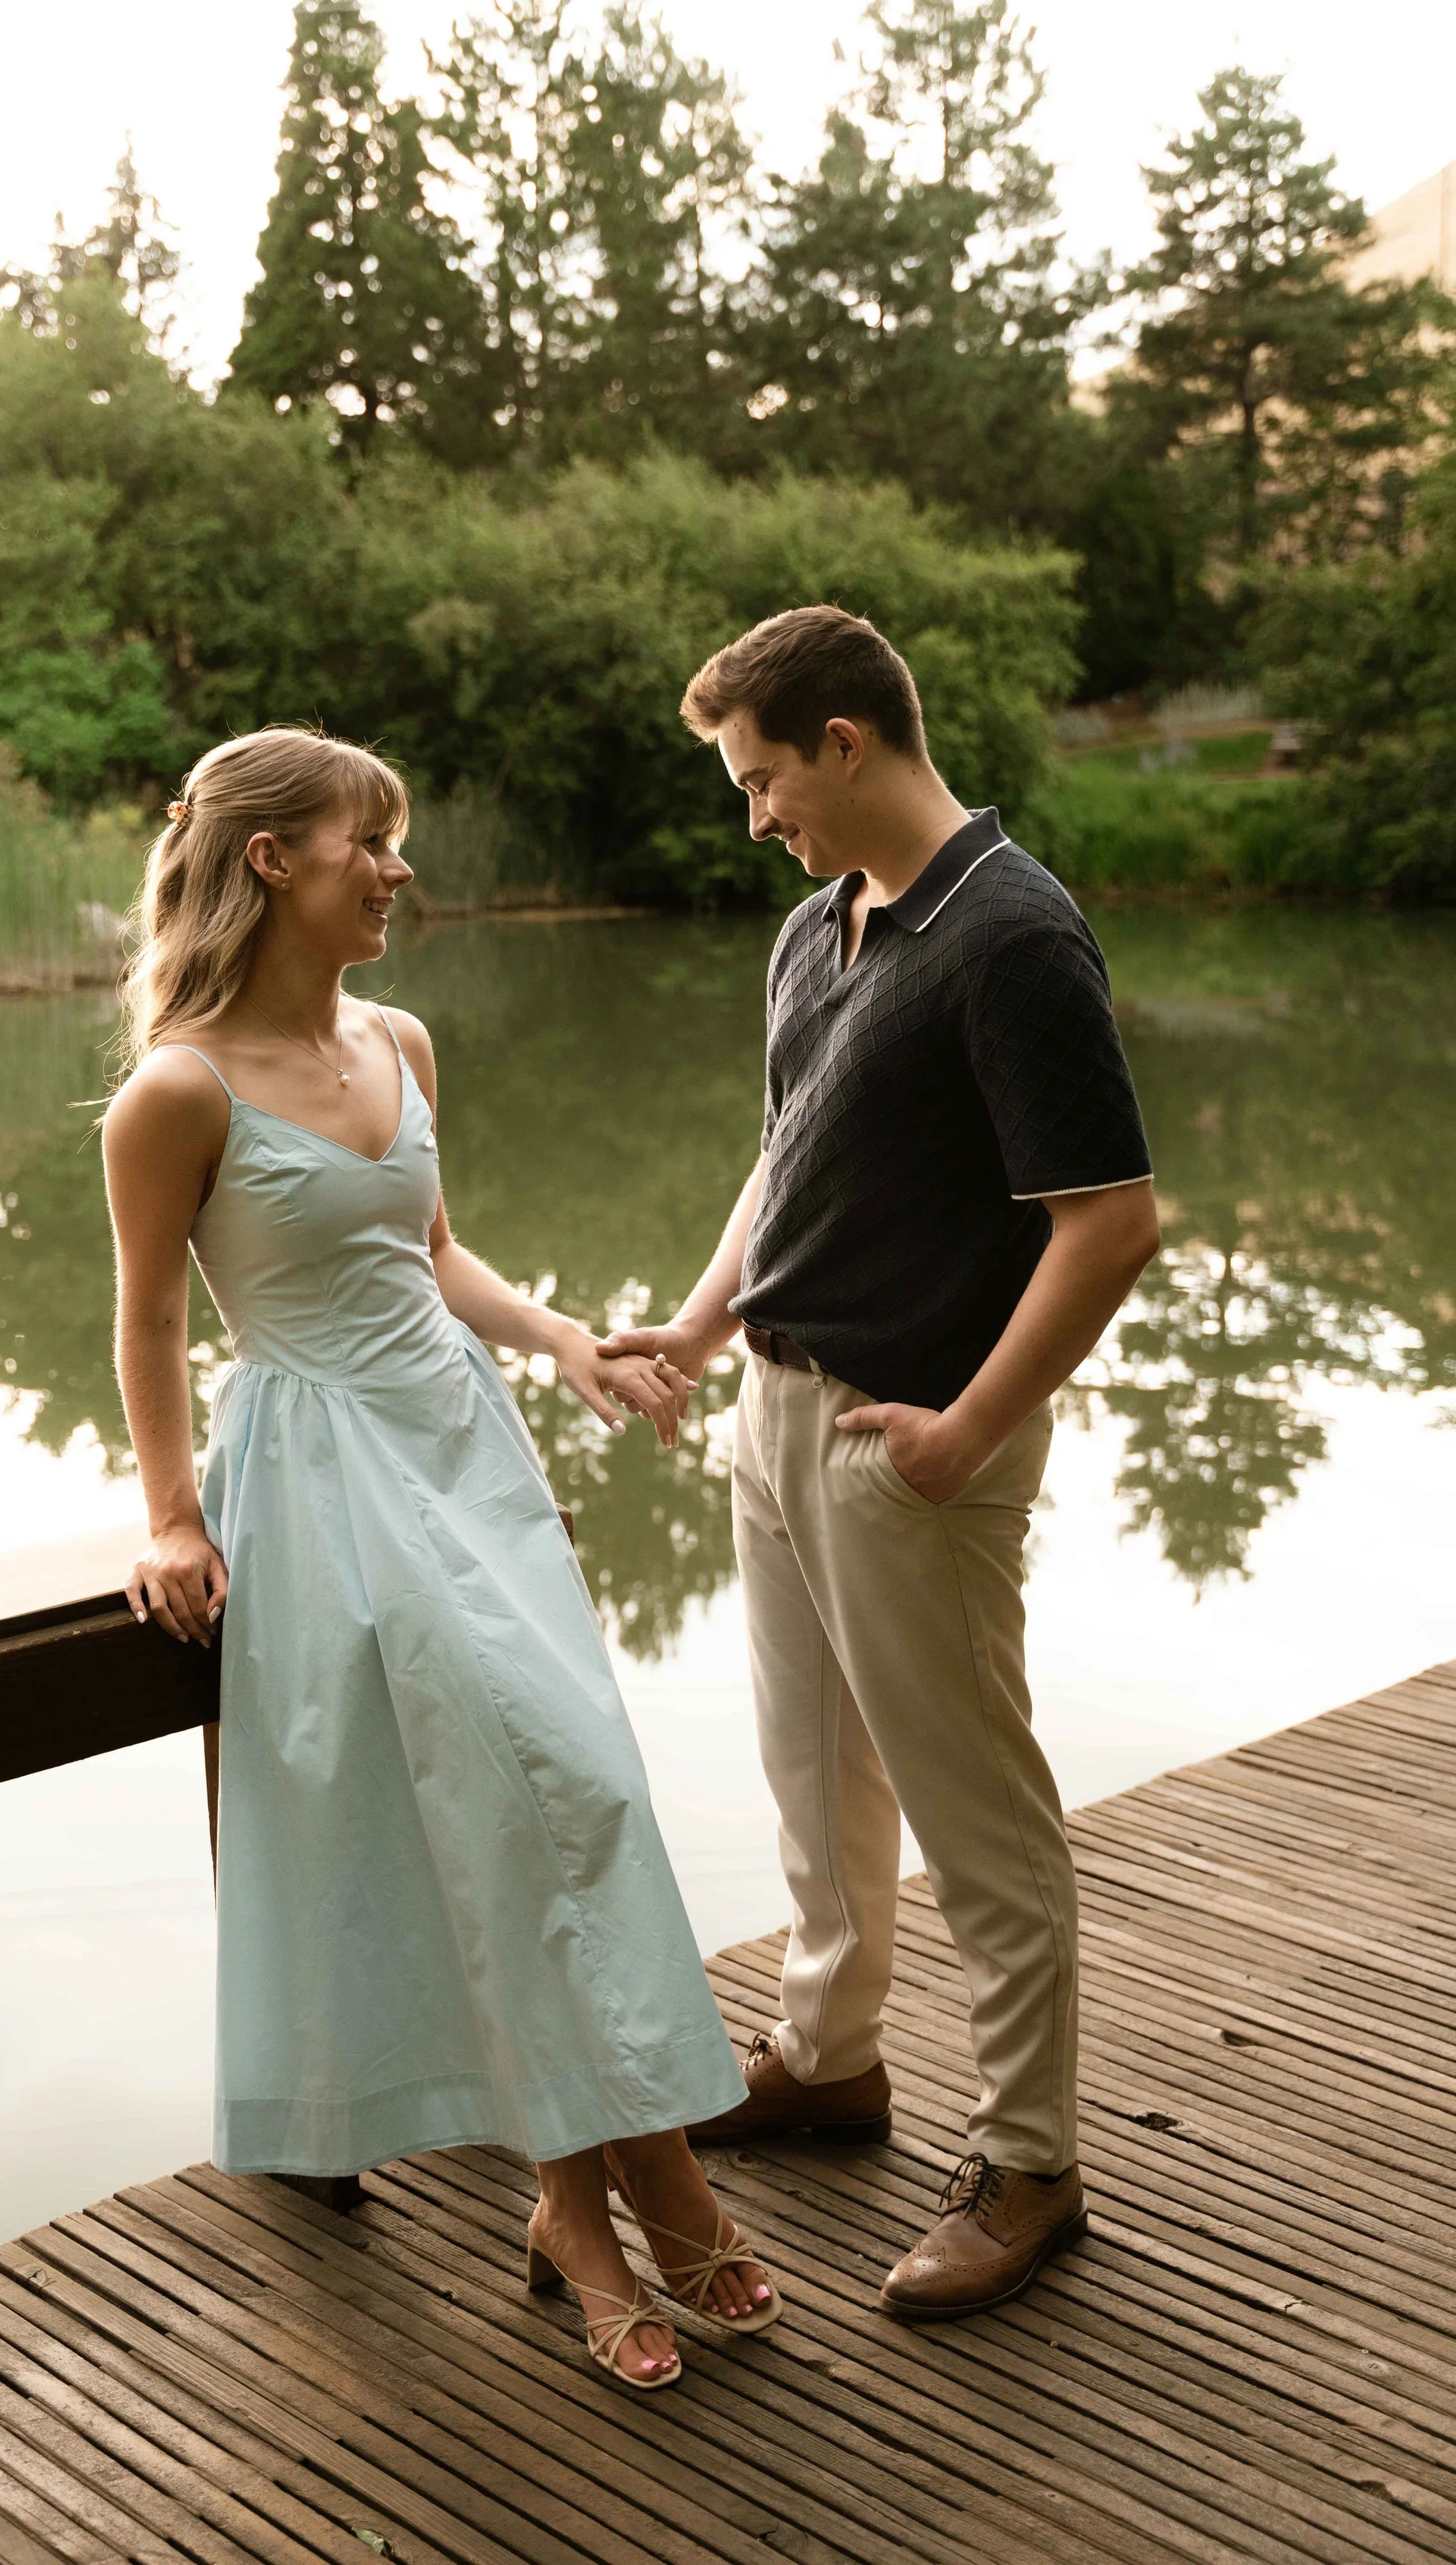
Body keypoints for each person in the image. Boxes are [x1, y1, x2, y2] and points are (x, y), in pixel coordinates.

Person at [102, 725, 780, 2392]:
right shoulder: (175, 1089)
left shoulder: (400, 1038)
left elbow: (435, 1252)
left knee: (572, 1793)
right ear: (272, 860)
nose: (398, 869)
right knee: (490, 1816)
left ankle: (592, 2200)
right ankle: (630, 2194)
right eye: (370, 841)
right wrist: (173, 1514)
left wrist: (559, 1345)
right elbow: (146, 1317)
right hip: (321, 1479)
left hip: (463, 1446)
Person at [603, 607, 1159, 2319]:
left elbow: (1110, 1222)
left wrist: (966, 1430)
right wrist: (700, 1331)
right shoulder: (810, 928)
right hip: (775, 1410)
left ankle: (1031, 2160)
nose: (751, 813)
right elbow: (785, 1159)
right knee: (810, 1779)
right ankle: (828, 2060)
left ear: (844, 742)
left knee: (971, 1810)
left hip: (907, 1433)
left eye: (760, 777)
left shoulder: (1011, 937)